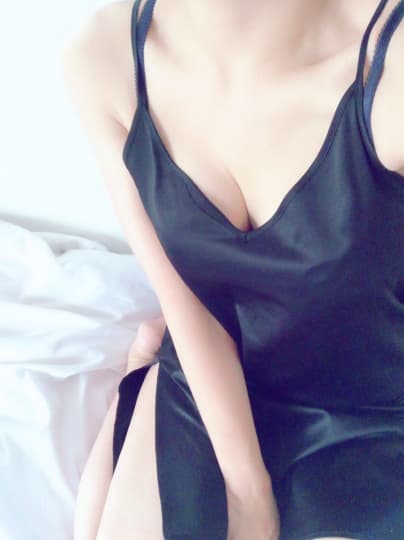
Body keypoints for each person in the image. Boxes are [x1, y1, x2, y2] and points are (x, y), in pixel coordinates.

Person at [63, 0, 404, 539]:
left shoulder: (390, 66)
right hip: (214, 383)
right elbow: (184, 298)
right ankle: (145, 367)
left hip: (371, 410)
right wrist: (247, 494)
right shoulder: (105, 59)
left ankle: (141, 367)